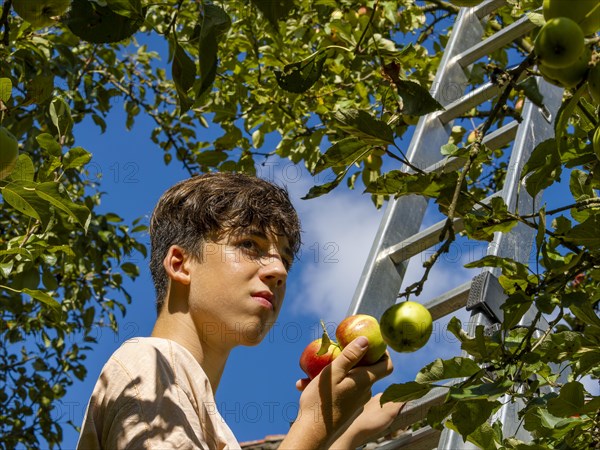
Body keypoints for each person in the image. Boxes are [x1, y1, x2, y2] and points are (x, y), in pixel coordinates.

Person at [77, 172, 401, 449]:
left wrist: (346, 432)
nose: (279, 270)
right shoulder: (148, 363)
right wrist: (315, 422)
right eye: (249, 245)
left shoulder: (205, 418)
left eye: (284, 259)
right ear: (181, 264)